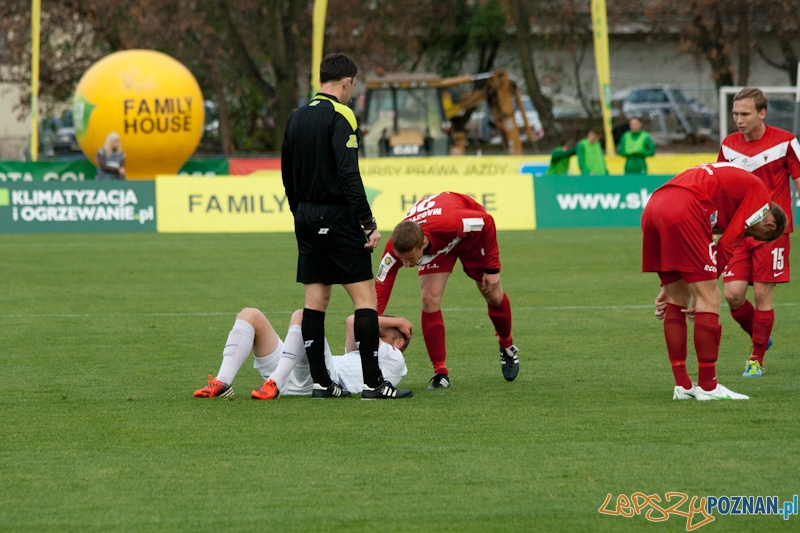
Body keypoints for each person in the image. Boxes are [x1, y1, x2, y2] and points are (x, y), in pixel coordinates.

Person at [281, 52, 412, 400]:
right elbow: (348, 174)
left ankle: (322, 384)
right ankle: (373, 382)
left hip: (305, 217)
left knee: (316, 298)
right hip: (336, 217)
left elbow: (287, 177)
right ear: (347, 82)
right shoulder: (342, 115)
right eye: (353, 85)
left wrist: (300, 213)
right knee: (365, 297)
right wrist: (367, 223)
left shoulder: (295, 118)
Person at [643, 163, 787, 401]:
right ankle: (709, 387)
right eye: (757, 236)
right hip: (686, 206)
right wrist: (707, 282)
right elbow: (730, 240)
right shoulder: (761, 200)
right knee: (710, 298)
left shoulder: (733, 195)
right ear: (769, 225)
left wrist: (667, 287)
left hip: (655, 203)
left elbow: (700, 242)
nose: (750, 237)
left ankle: (683, 385)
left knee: (676, 298)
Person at [375, 191, 518, 389]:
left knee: (492, 294)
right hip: (439, 249)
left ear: (423, 242)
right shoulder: (394, 246)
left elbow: (486, 221)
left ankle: (507, 346)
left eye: (410, 259)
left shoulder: (452, 221)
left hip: (469, 238)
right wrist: (370, 319)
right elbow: (381, 286)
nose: (406, 265)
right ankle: (440, 372)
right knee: (429, 299)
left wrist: (493, 268)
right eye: (402, 259)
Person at [717, 87, 800, 378]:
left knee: (764, 294)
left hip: (772, 231)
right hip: (740, 231)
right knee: (733, 296)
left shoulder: (786, 142)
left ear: (762, 113)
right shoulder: (728, 145)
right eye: (735, 114)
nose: (738, 120)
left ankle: (756, 360)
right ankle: (761, 335)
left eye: (745, 114)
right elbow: (721, 187)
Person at [194, 309, 412, 399]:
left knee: (303, 316)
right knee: (250, 315)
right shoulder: (365, 355)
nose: (372, 333)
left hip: (324, 378)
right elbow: (352, 322)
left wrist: (399, 323)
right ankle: (223, 383)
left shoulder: (394, 357)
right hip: (297, 368)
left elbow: (357, 322)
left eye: (380, 333)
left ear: (399, 342)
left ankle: (274, 384)